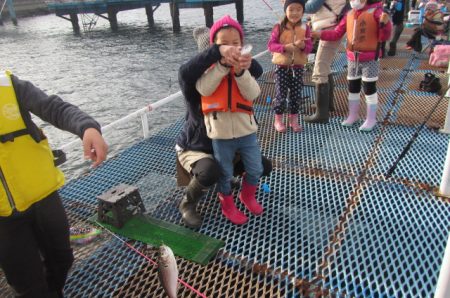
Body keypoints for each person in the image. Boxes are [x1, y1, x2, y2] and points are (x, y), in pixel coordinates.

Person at [0, 70, 108, 297]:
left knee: (63, 257)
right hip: (4, 221)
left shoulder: (9, 85)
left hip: (43, 197)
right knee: (28, 283)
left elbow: (54, 108)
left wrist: (87, 126)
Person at [176, 26, 272, 228]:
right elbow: (184, 72)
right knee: (211, 171)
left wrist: (240, 58)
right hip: (198, 147)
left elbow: (257, 71)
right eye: (221, 48)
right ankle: (187, 204)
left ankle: (233, 186)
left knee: (263, 165)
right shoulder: (194, 82)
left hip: (229, 142)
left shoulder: (235, 75)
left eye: (232, 46)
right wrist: (217, 54)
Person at [313, 0, 392, 132]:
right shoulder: (349, 14)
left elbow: (384, 36)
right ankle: (352, 115)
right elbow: (337, 33)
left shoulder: (377, 12)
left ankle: (371, 119)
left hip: (370, 58)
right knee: (352, 87)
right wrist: (320, 34)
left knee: (369, 88)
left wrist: (385, 24)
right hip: (352, 58)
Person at [268, 0, 313, 133]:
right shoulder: (279, 27)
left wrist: (303, 46)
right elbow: (271, 45)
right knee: (281, 94)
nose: (295, 13)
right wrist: (284, 47)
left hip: (297, 67)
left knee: (296, 95)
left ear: (303, 11)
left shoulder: (306, 28)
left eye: (298, 9)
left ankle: (294, 120)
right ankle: (278, 120)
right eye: (291, 9)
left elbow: (309, 48)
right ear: (286, 10)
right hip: (281, 67)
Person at [303, 0, 348, 123]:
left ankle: (321, 114)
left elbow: (312, 7)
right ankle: (327, 105)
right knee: (325, 65)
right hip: (334, 25)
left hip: (330, 28)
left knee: (320, 69)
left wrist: (295, 2)